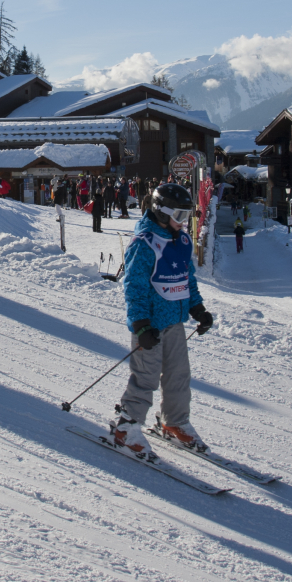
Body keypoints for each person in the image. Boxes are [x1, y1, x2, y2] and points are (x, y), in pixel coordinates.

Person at [110, 183, 213, 455]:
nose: (183, 223)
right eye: (178, 216)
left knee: (179, 375)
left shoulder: (182, 242)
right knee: (146, 377)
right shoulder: (144, 244)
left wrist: (198, 309)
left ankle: (174, 423)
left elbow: (187, 280)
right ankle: (126, 427)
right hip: (151, 325)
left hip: (175, 322)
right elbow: (134, 287)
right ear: (161, 212)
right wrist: (141, 324)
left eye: (186, 216)